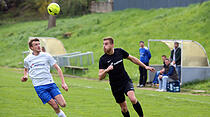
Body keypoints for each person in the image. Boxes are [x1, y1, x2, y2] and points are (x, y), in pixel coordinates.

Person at [99, 37, 155, 117]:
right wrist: (106, 70)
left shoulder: (119, 51)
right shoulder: (103, 59)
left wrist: (145, 66)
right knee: (124, 108)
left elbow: (132, 58)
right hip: (115, 85)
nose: (104, 46)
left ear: (112, 45)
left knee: (132, 99)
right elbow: (100, 76)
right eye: (103, 44)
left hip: (125, 81)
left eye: (106, 44)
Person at [21, 38, 68, 117]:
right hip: (39, 87)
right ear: (31, 48)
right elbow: (26, 69)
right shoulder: (27, 59)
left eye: (39, 44)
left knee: (63, 104)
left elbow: (58, 69)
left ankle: (54, 98)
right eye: (36, 45)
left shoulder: (47, 56)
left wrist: (63, 83)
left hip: (50, 84)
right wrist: (25, 76)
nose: (38, 46)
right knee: (55, 106)